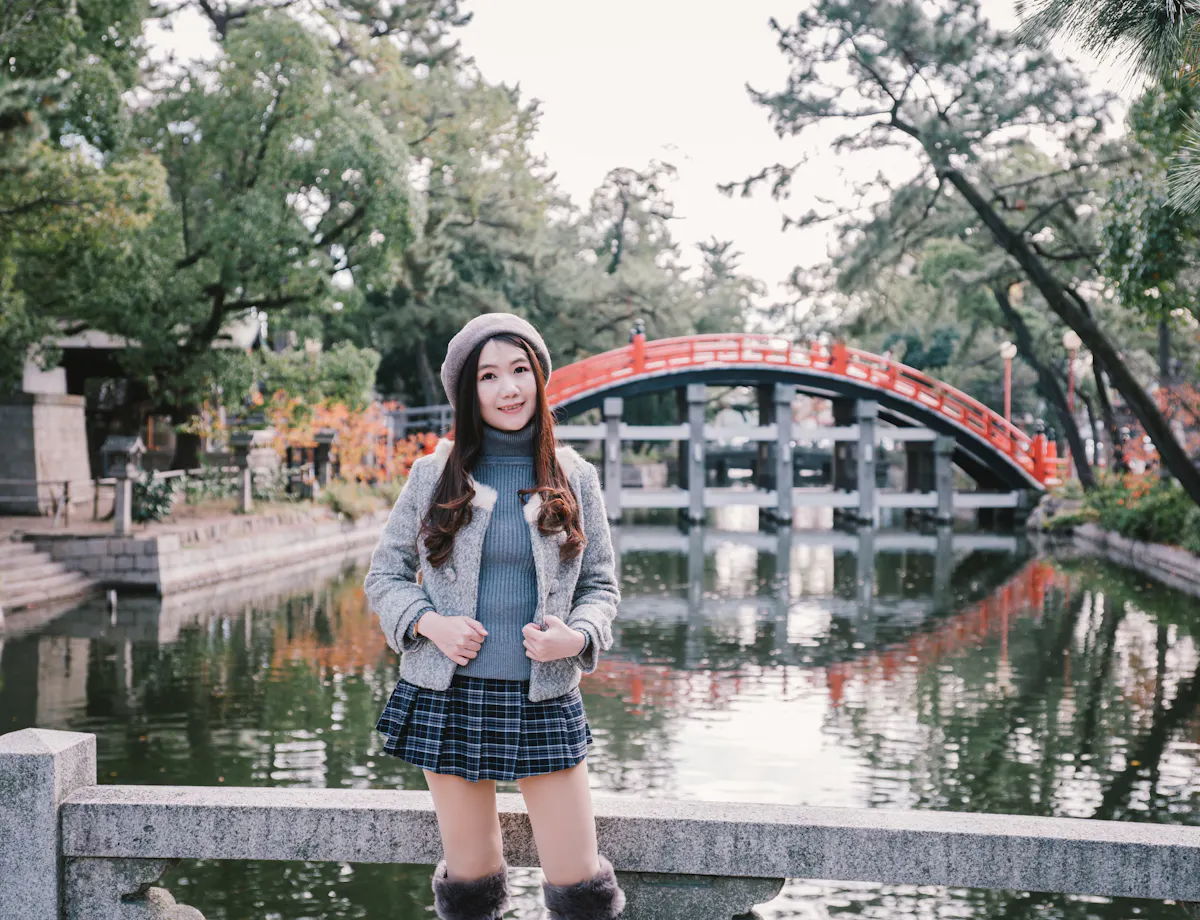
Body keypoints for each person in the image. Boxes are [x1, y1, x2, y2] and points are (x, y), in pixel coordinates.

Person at [364, 312, 626, 920]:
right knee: (471, 887)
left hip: (545, 697)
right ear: (468, 391)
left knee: (580, 887)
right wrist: (431, 623)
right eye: (488, 376)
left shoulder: (574, 476)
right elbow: (385, 575)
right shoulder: (434, 474)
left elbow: (601, 585)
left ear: (538, 378)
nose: (508, 388)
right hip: (448, 695)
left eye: (519, 371)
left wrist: (577, 636)